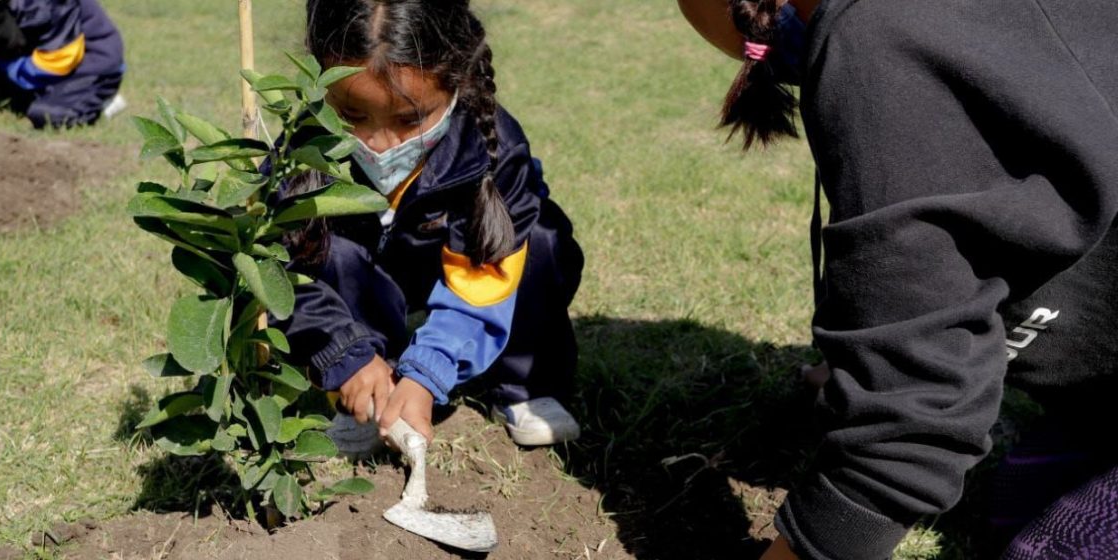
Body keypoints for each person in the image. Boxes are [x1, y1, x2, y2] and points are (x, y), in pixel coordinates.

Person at [679, 0, 1118, 559]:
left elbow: (902, 442)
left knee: (1059, 549)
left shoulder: (882, 32)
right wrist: (869, 363)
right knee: (1015, 500)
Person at [275, 0, 585, 450]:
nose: (380, 144)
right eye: (352, 116)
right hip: (372, 271)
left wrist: (429, 372)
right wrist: (343, 350)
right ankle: (365, 387)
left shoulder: (493, 148)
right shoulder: (298, 155)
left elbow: (484, 282)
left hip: (453, 263)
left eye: (409, 120)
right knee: (327, 250)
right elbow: (283, 273)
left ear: (455, 78)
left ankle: (524, 386)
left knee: (539, 241)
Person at [0, 0, 125, 128]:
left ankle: (101, 99)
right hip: (20, 51)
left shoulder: (43, 4)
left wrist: (4, 66)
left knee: (48, 115)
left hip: (83, 62)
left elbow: (60, 60)